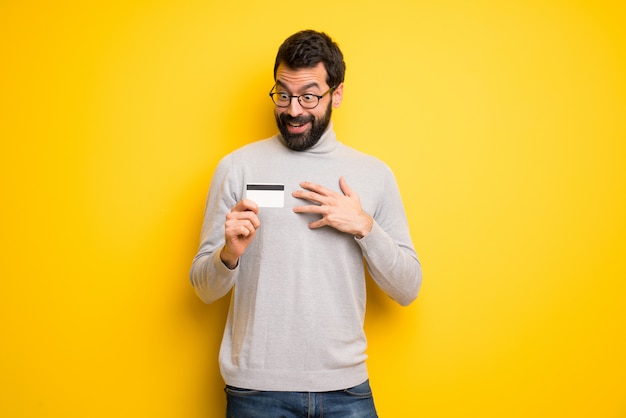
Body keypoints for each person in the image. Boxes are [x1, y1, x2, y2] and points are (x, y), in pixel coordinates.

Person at [190, 29, 422, 418]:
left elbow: (408, 288)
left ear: (338, 93)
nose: (294, 110)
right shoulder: (238, 168)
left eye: (309, 96)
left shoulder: (374, 175)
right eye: (283, 94)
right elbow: (203, 289)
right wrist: (228, 255)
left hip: (345, 390)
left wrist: (365, 227)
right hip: (256, 392)